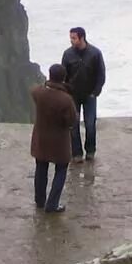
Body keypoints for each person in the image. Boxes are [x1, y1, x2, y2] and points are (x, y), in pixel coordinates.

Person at [30, 63, 77, 213]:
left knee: (41, 167)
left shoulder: (38, 92)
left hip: (41, 137)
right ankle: (52, 204)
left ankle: (39, 201)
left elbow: (34, 89)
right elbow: (71, 121)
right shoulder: (66, 100)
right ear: (63, 78)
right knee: (61, 169)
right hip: (59, 140)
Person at [61, 27, 106, 161]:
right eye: (71, 38)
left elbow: (101, 74)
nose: (71, 41)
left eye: (74, 38)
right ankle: (77, 153)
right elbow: (64, 75)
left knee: (90, 124)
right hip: (72, 95)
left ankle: (90, 151)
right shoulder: (67, 54)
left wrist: (95, 92)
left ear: (82, 38)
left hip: (89, 95)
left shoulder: (95, 53)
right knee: (73, 125)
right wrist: (65, 92)